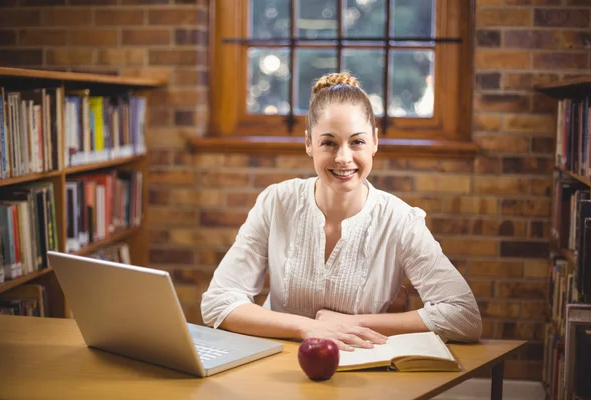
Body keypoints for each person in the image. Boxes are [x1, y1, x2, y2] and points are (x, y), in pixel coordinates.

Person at [201, 72, 482, 351]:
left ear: (374, 141)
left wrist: (354, 323)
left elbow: (463, 316)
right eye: (329, 142)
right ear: (309, 143)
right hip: (277, 368)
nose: (343, 158)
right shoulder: (277, 202)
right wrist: (308, 327)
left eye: (356, 142)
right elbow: (218, 302)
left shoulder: (400, 220)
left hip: (360, 369)